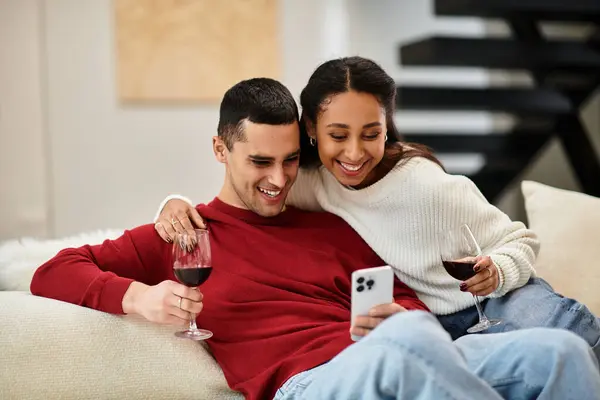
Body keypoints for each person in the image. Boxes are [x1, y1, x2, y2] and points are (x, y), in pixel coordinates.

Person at [30, 78, 600, 400]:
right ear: (220, 150)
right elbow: (51, 271)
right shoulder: (186, 236)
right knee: (409, 347)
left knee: (560, 351)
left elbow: (401, 302)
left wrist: (393, 315)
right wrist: (141, 298)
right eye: (258, 162)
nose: (277, 181)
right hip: (309, 385)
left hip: (398, 354)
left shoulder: (328, 219)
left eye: (288, 161)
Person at [156, 57, 600, 358]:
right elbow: (245, 193)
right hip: (432, 327)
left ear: (388, 127)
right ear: (311, 128)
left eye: (371, 133)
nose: (353, 152)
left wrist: (499, 269)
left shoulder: (428, 185)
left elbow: (518, 239)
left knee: (574, 350)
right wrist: (172, 201)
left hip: (501, 304)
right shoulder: (308, 182)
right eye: (338, 134)